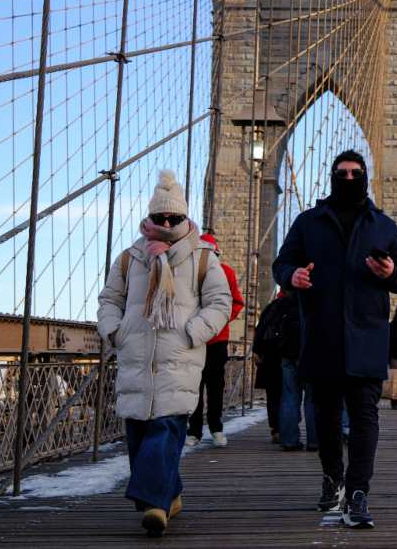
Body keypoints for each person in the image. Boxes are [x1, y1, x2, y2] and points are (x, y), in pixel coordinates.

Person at [273, 150, 397, 529]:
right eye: (342, 173)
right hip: (322, 335)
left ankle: (358, 492)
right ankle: (332, 478)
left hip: (367, 336)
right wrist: (292, 277)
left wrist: (388, 272)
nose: (349, 178)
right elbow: (281, 263)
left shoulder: (383, 225)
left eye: (356, 173)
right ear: (332, 175)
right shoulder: (308, 222)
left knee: (366, 418)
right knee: (327, 418)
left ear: (366, 176)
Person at [97, 169, 231, 536]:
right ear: (150, 218)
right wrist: (114, 331)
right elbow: (110, 300)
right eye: (161, 218)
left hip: (179, 361)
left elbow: (221, 302)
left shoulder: (203, 257)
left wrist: (193, 332)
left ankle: (156, 506)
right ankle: (169, 495)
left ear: (185, 217)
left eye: (174, 217)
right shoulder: (130, 258)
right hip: (136, 362)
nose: (168, 223)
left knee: (165, 432)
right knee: (140, 438)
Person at [185, 233, 245, 447]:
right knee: (194, 386)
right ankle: (194, 431)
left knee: (214, 386)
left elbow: (237, 302)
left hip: (216, 340)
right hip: (193, 338)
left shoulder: (225, 271)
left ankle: (216, 428)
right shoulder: (188, 271)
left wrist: (219, 320)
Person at [276, 293, 318, 451]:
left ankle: (289, 440)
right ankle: (314, 440)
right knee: (313, 398)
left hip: (288, 352)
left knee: (289, 396)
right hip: (311, 352)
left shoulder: (286, 302)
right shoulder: (317, 299)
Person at [252, 292, 294, 444]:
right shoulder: (299, 305)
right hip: (290, 354)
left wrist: (257, 351)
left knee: (274, 394)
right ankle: (292, 430)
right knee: (291, 393)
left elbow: (260, 330)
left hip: (270, 356)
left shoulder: (272, 308)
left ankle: (276, 428)